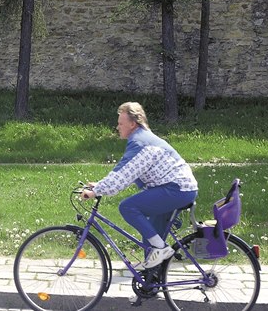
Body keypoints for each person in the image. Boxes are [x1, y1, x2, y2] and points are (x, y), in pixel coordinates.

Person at [82, 102, 198, 269]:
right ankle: (151, 281)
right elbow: (128, 173)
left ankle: (162, 249)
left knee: (128, 207)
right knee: (150, 233)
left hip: (176, 189)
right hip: (180, 188)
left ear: (132, 124)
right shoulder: (143, 138)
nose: (117, 127)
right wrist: (100, 185)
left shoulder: (139, 143)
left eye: (121, 123)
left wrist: (95, 192)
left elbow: (121, 176)